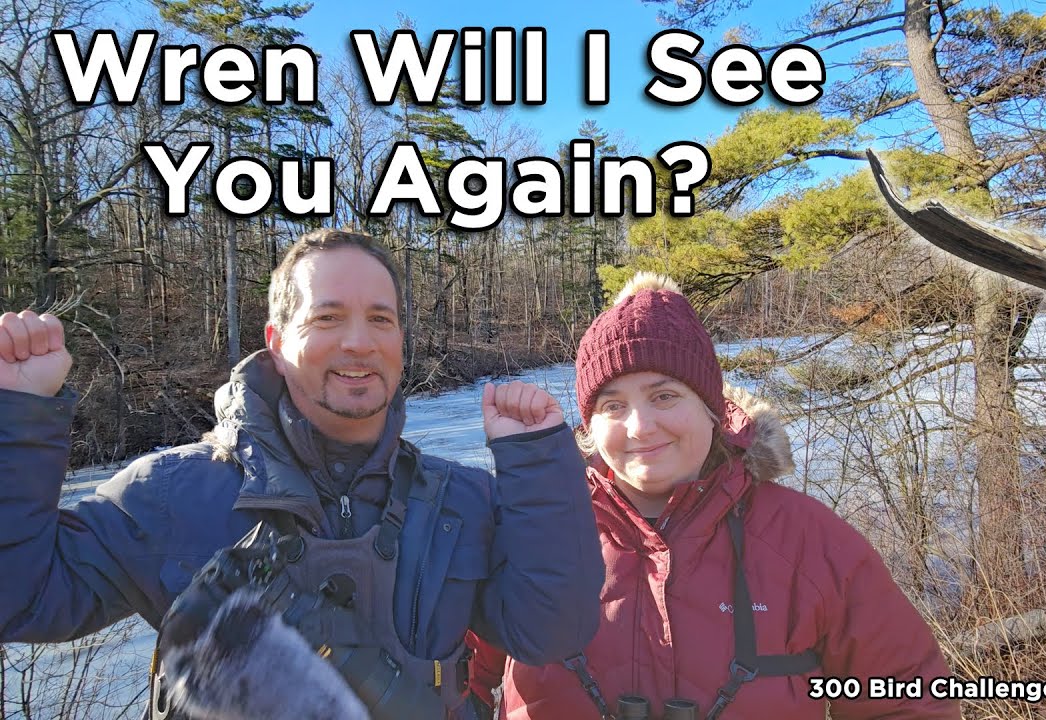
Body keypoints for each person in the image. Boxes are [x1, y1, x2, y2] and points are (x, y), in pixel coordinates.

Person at [0, 228, 604, 719]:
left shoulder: (460, 501)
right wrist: (18, 419)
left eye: (381, 319)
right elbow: (21, 598)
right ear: (277, 341)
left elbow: (552, 631)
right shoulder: (173, 494)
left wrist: (538, 464)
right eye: (327, 318)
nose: (359, 342)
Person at [470, 272, 959, 719]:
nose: (640, 426)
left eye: (665, 396)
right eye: (613, 405)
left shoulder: (810, 541)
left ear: (712, 410)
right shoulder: (528, 535)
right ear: (589, 427)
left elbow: (909, 700)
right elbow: (448, 685)